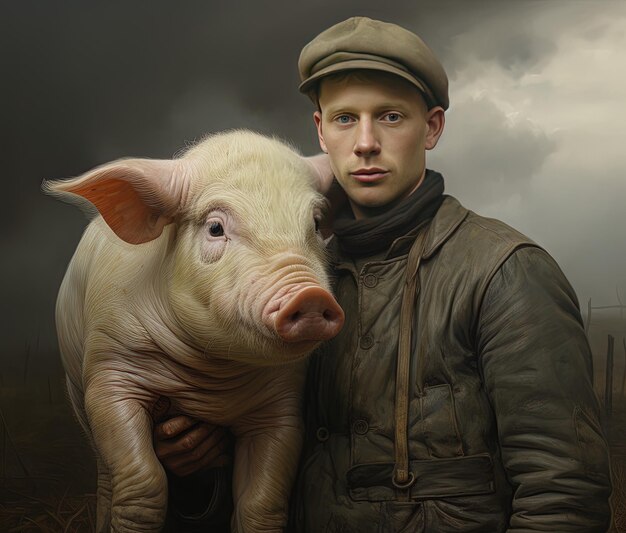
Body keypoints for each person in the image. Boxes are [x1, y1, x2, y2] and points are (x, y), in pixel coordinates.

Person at [153, 16, 612, 532]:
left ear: (433, 127)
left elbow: (564, 496)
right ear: (320, 132)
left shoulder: (505, 272)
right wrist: (200, 468)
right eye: (345, 119)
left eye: (390, 117)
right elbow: (255, 471)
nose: (365, 142)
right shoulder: (284, 284)